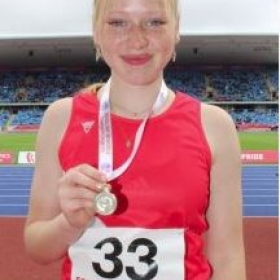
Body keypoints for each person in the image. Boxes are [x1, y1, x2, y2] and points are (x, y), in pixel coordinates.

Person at [24, 0, 247, 279]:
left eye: (155, 22)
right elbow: (36, 246)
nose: (137, 39)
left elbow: (228, 259)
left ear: (176, 29)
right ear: (96, 32)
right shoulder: (60, 118)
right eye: (118, 22)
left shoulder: (214, 126)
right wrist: (68, 223)